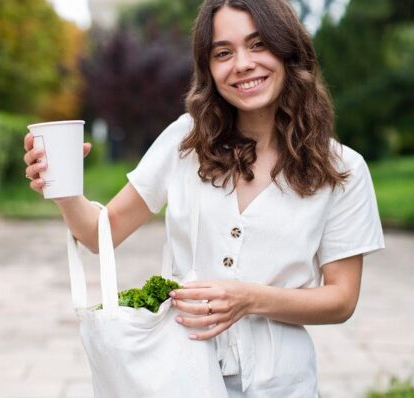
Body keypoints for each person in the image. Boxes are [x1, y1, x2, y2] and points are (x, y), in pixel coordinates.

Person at [23, 0, 385, 396]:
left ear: (289, 51)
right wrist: (64, 190)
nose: (242, 64)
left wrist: (250, 299)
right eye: (223, 53)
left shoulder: (343, 168)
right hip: (179, 375)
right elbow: (99, 235)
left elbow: (342, 298)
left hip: (283, 383)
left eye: (259, 44)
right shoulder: (185, 141)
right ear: (209, 69)